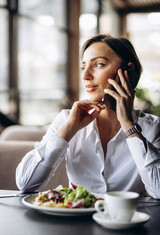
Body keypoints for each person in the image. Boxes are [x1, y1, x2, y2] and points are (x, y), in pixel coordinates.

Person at [16, 34, 160, 199]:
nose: (85, 76)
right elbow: (25, 184)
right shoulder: (67, 120)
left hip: (128, 222)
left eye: (98, 64)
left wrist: (129, 126)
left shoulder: (153, 128)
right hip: (76, 221)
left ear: (127, 71)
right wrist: (68, 130)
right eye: (84, 66)